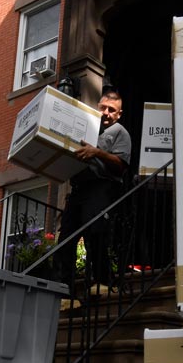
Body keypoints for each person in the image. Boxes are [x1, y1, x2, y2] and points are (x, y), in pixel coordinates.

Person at [55, 86, 132, 292]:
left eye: (111, 110)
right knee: (66, 238)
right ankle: (65, 290)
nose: (106, 113)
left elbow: (121, 165)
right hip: (79, 189)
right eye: (103, 107)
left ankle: (103, 282)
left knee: (96, 234)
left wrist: (97, 152)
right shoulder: (86, 127)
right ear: (97, 106)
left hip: (102, 188)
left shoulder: (120, 132)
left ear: (119, 113)